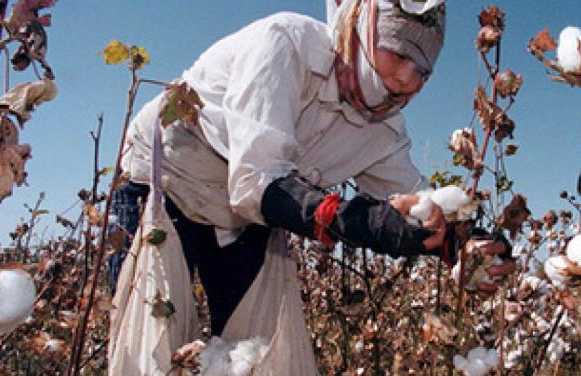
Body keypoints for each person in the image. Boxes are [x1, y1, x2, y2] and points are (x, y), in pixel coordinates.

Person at [111, 0, 515, 337]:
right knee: (150, 339)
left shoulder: (385, 131)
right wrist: (365, 223)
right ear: (360, 28)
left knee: (244, 356)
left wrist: (467, 244)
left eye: (424, 67)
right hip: (164, 184)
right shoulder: (285, 45)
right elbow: (257, 183)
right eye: (399, 51)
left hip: (242, 219)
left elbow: (420, 201)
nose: (408, 77)